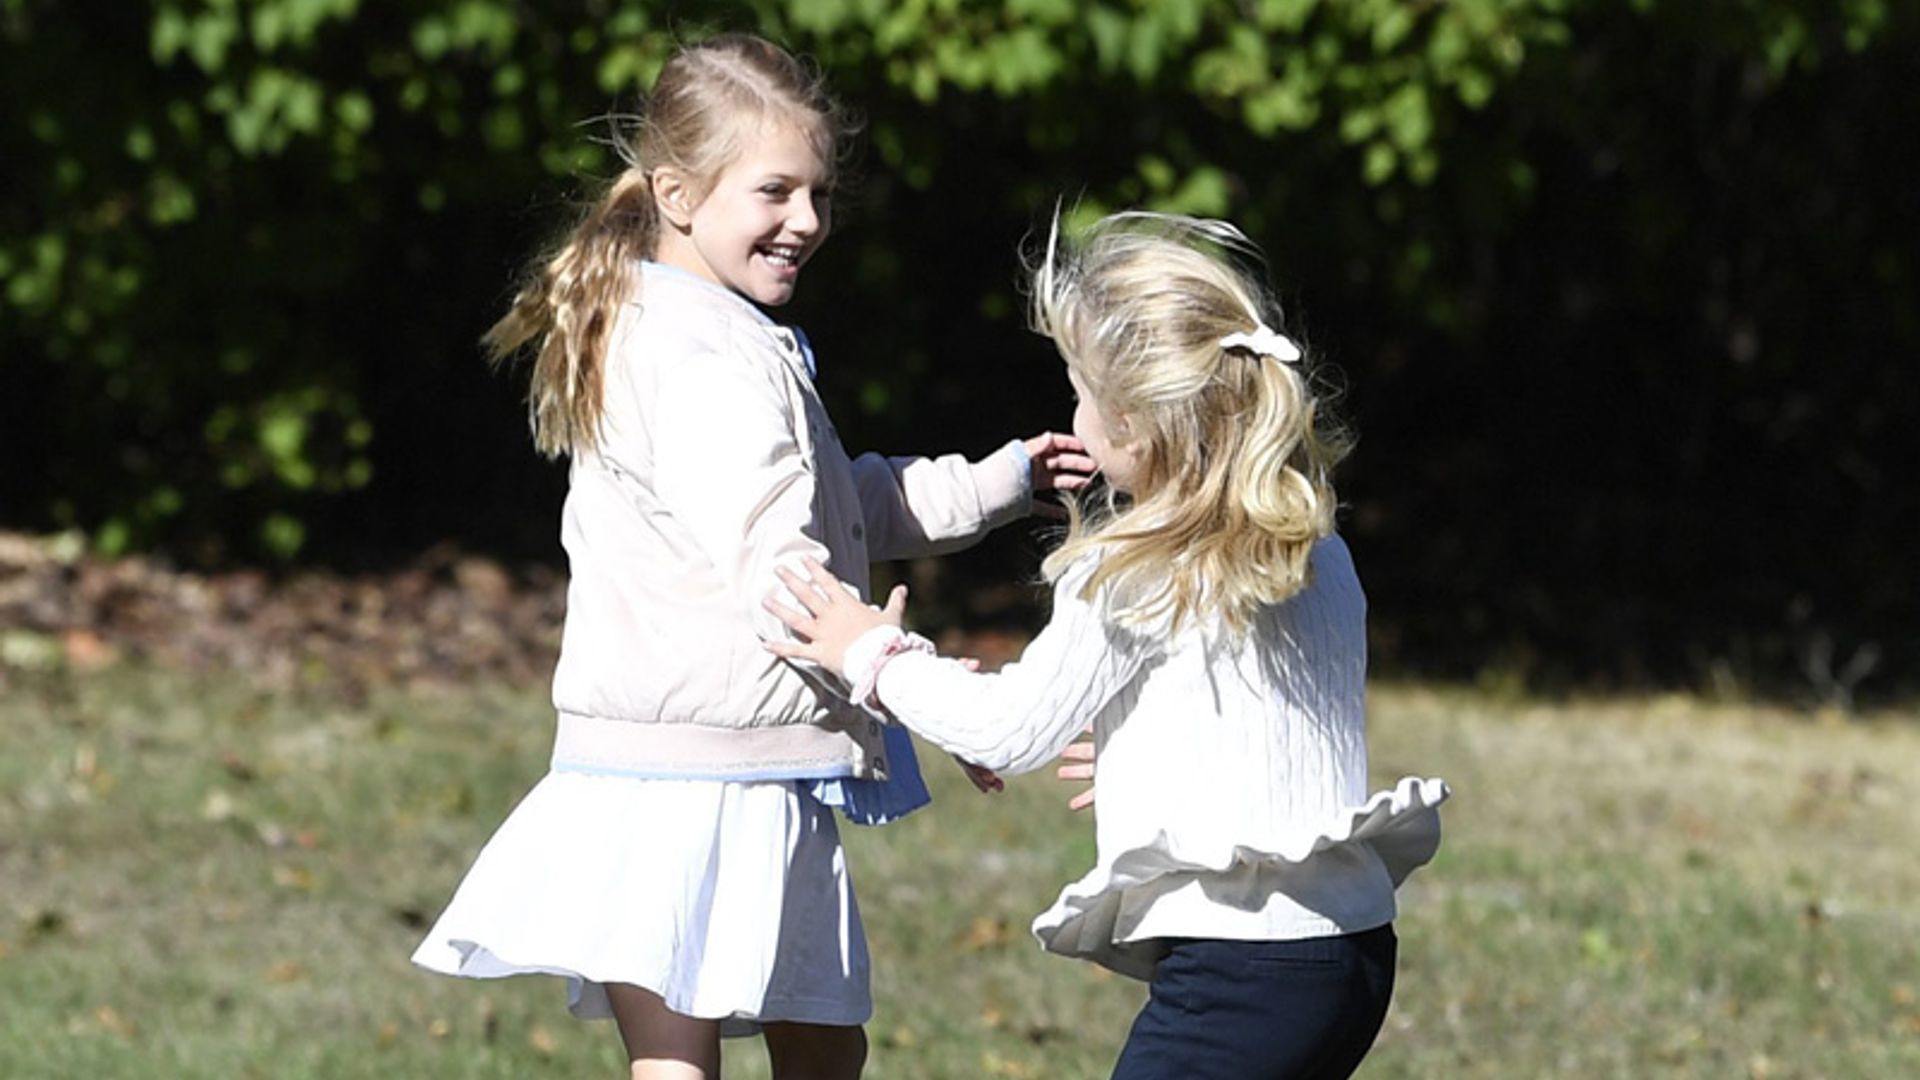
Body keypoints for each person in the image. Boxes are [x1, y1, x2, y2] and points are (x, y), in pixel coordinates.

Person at [410, 34, 1093, 1080]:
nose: (807, 221)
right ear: (679, 193)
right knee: (757, 1057)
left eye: (817, 193)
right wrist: (925, 691)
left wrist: (1001, 480)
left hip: (665, 758)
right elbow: (785, 570)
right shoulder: (707, 359)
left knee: (769, 1050)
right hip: (713, 777)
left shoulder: (681, 325)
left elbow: (831, 507)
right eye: (775, 191)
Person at [765, 211, 1451, 1080]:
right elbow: (1286, 715)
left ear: (1132, 425)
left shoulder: (1132, 569)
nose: (1076, 418)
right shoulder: (1316, 548)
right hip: (1349, 953)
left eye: (1081, 394)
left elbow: (1009, 730)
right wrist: (1150, 751)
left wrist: (869, 650)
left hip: (1240, 971)